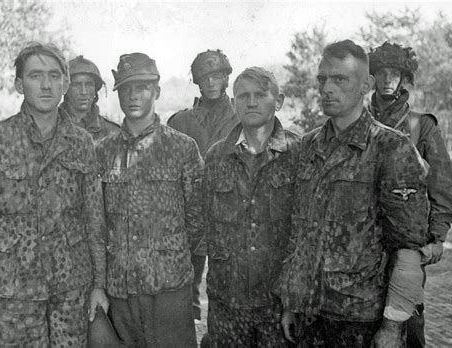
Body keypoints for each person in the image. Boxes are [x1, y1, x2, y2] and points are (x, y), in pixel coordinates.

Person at [276, 40, 429, 347]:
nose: (327, 89)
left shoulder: (392, 147)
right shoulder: (309, 145)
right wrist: (291, 301)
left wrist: (392, 325)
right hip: (309, 314)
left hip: (360, 318)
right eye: (323, 80)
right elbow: (300, 229)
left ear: (366, 84)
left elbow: (408, 249)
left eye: (340, 79)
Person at [0, 42, 108, 347]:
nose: (46, 85)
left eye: (54, 76)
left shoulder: (81, 142)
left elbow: (94, 220)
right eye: (35, 75)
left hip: (70, 287)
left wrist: (99, 285)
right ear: (18, 84)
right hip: (11, 290)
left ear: (65, 84)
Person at [96, 52, 203, 347]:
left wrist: (168, 258)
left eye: (142, 88)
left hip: (168, 289)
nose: (133, 96)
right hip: (120, 288)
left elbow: (197, 220)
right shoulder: (102, 151)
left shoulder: (182, 148)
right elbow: (97, 222)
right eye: (126, 89)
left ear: (157, 91)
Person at [368, 41, 452, 348]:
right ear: (373, 77)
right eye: (381, 72)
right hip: (363, 242)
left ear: (404, 78)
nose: (388, 79)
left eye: (395, 73)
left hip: (408, 240)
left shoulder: (422, 125)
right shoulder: (358, 121)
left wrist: (437, 236)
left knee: (407, 322)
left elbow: (442, 184)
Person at [203, 67, 300, 347]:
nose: (252, 102)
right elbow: (206, 225)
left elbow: (306, 233)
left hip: (278, 307)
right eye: (243, 96)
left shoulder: (300, 153)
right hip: (227, 306)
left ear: (278, 101)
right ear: (233, 104)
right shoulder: (216, 156)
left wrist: (293, 302)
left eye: (260, 94)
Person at [168, 49, 238, 322]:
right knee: (187, 288)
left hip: (231, 215)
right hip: (190, 216)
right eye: (205, 77)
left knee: (230, 290)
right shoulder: (181, 122)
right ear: (197, 81)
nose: (211, 83)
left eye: (217, 76)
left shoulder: (243, 117)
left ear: (226, 80)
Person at [61, 55, 120, 143]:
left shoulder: (112, 132)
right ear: (67, 89)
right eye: (77, 85)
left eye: (89, 85)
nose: (83, 91)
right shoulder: (51, 128)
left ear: (95, 89)